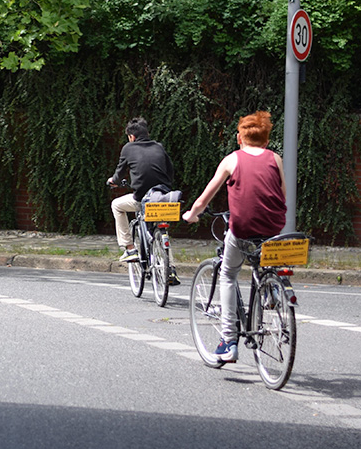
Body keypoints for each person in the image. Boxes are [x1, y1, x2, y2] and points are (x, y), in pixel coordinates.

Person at [182, 110, 287, 363]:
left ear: (239, 137)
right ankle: (270, 290)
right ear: (266, 140)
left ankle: (228, 340)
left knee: (228, 274)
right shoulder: (275, 159)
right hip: (274, 226)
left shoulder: (232, 160)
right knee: (264, 255)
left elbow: (204, 198)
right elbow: (282, 195)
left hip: (242, 229)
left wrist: (192, 214)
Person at [107, 117, 175, 263]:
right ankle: (171, 270)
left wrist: (113, 181)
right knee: (162, 229)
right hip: (162, 196)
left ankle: (130, 248)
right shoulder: (159, 147)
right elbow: (170, 170)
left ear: (132, 136)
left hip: (141, 198)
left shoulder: (128, 148)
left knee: (116, 205)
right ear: (147, 133)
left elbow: (119, 174)